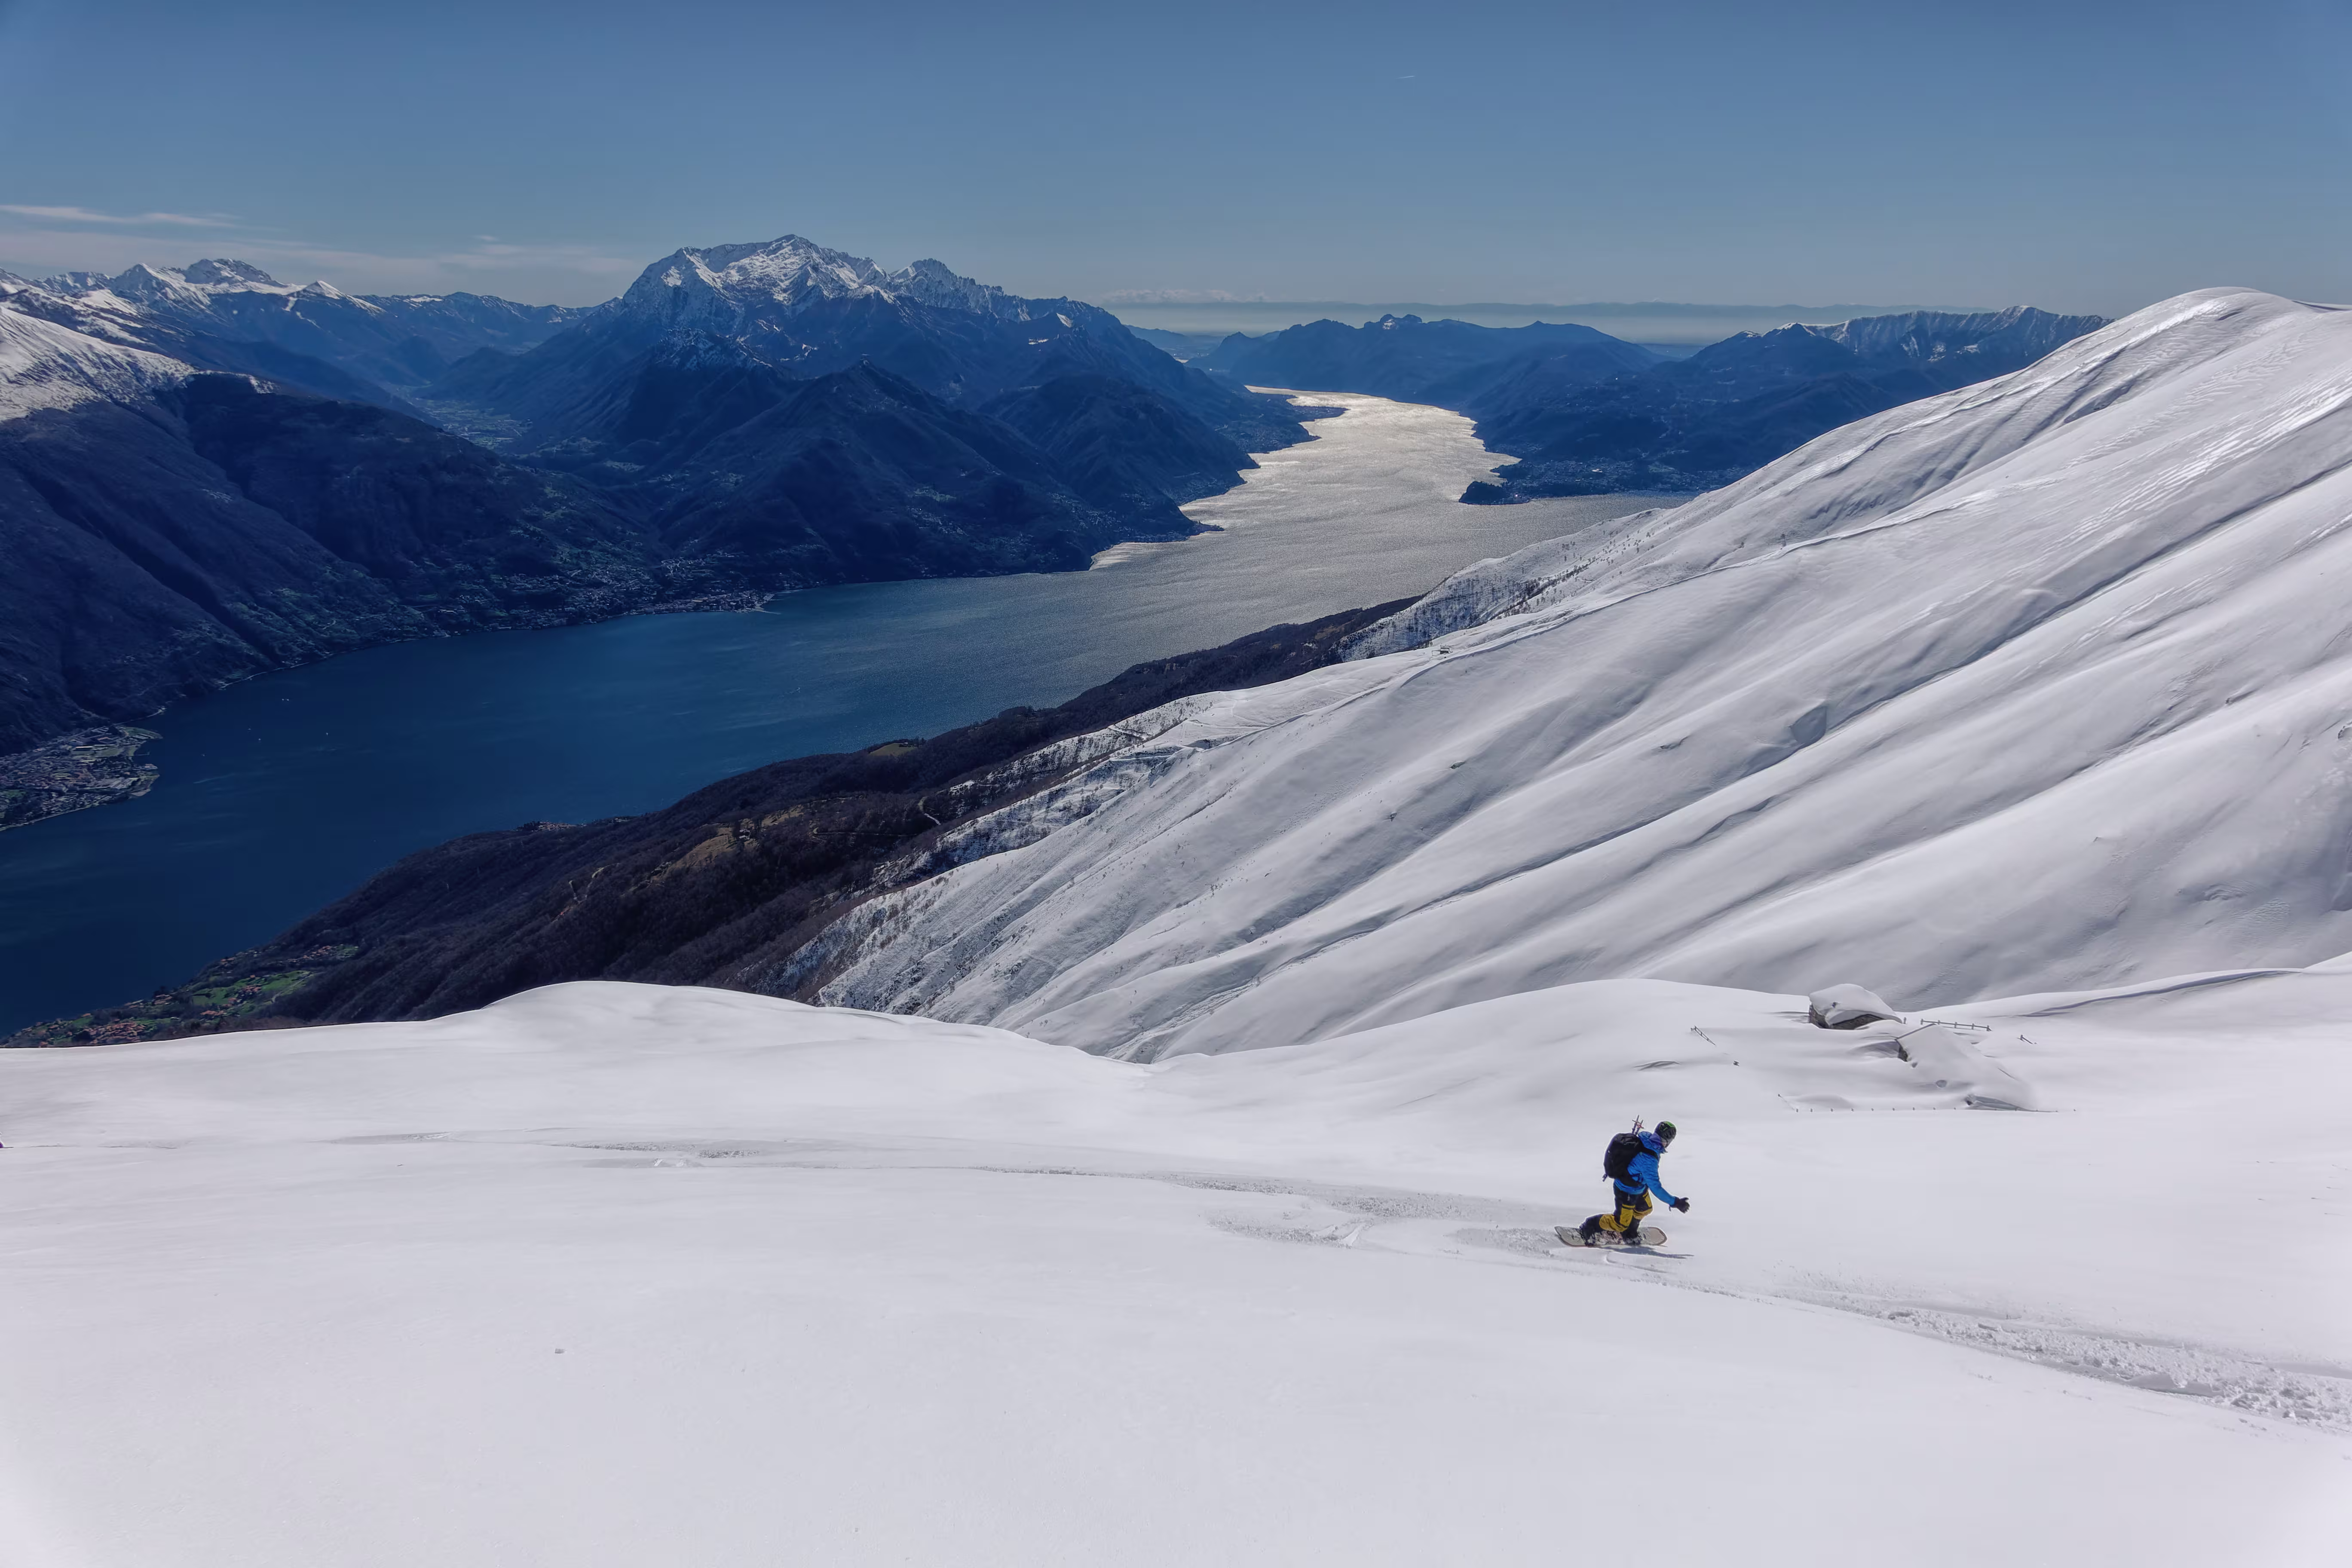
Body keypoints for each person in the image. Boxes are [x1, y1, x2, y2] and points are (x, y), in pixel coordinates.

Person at [1580, 1119, 1688, 1245]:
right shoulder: (1648, 1160)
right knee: (1621, 1223)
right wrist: (1675, 1202)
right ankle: (1589, 1227)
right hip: (1626, 1190)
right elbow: (1656, 1188)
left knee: (1645, 1209)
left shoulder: (1647, 1139)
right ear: (1667, 1141)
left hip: (1639, 1187)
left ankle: (1629, 1233)